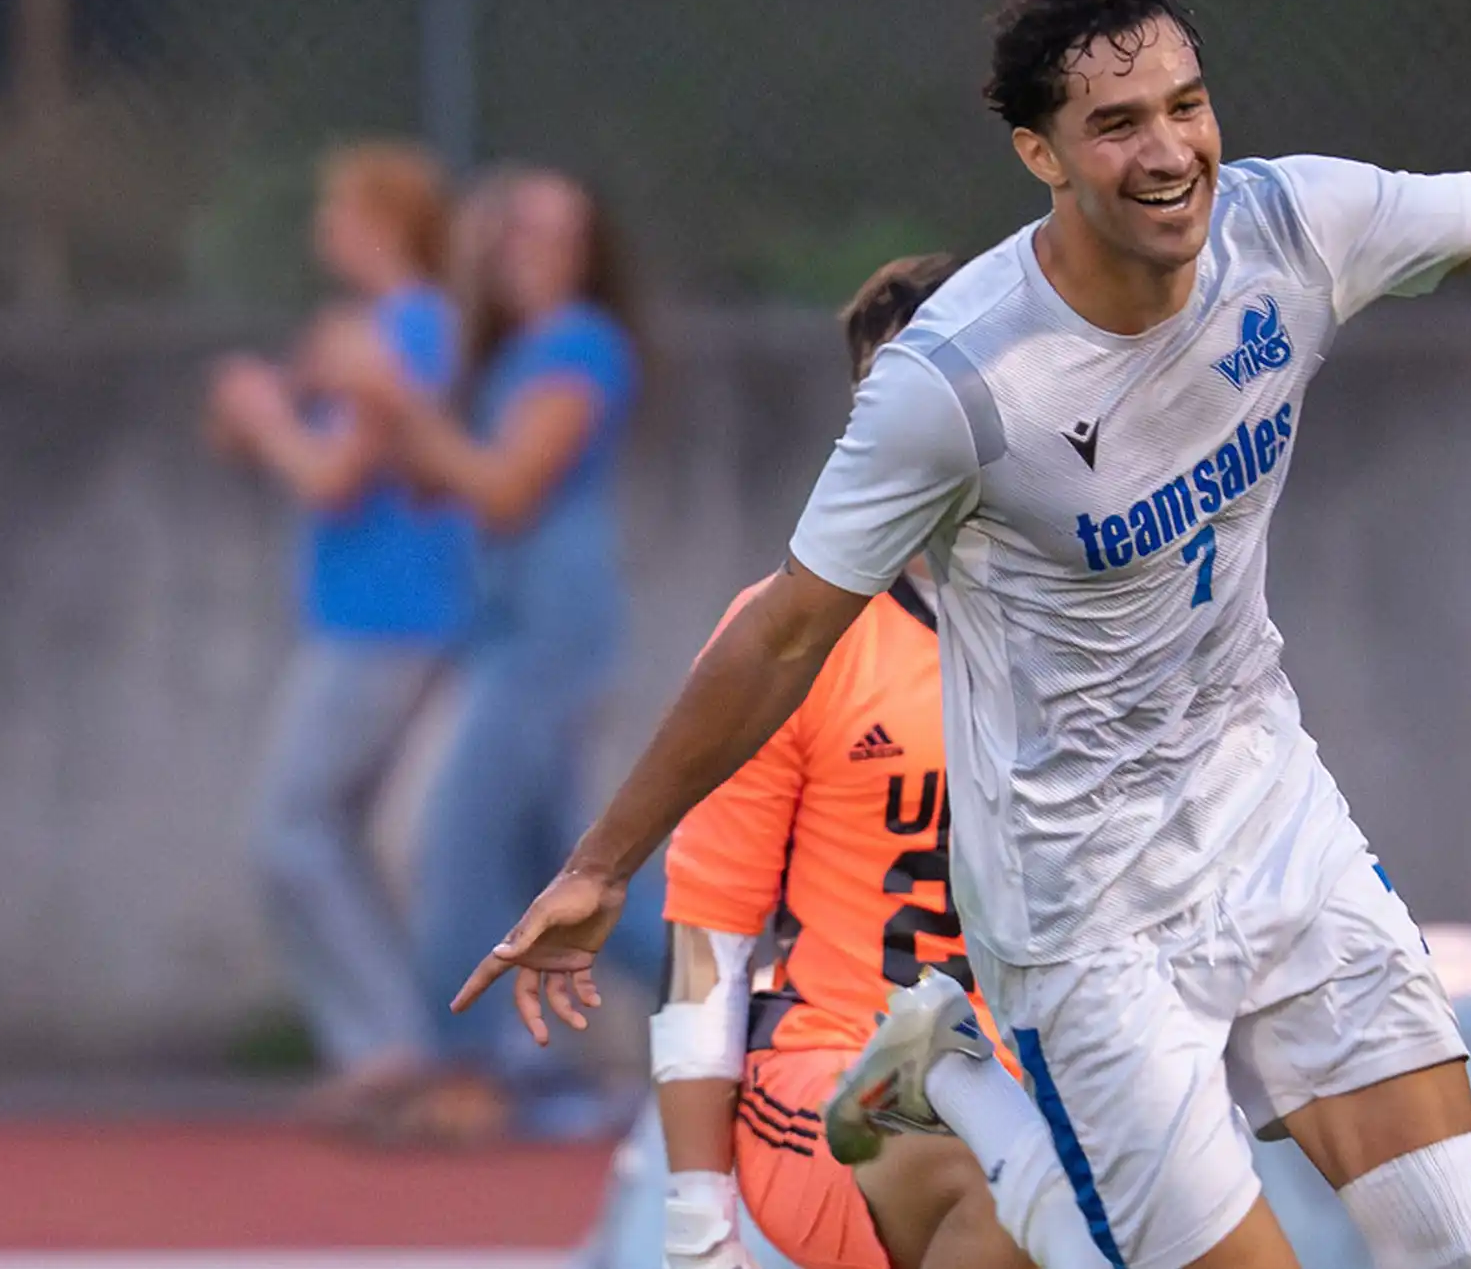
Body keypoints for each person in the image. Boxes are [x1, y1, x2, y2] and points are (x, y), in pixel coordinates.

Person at [465, 0, 1471, 1269]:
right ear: (1039, 154)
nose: (1168, 151)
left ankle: (964, 1072)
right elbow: (781, 629)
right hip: (1077, 912)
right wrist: (604, 863)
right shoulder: (959, 378)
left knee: (1455, 1238)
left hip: (1260, 806)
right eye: (1114, 124)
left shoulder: (1296, 225)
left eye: (1186, 102)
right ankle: (963, 1070)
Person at [575, 254, 1106, 1269]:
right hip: (851, 1066)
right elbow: (708, 939)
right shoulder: (796, 639)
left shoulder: (1104, 621)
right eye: (888, 403)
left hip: (1046, 1074)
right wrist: (696, 1219)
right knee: (1010, 1191)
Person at [315, 166, 665, 1145]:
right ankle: (743, 1000)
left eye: (552, 234)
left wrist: (393, 395)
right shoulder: (509, 355)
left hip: (549, 636)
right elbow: (446, 481)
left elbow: (506, 488)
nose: (525, 249)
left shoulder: (581, 348)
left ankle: (468, 1064)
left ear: (587, 255)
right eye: (514, 231)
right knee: (564, 863)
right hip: (510, 627)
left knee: (457, 844)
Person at [205, 141, 477, 1129]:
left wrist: (265, 411)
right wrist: (264, 412)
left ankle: (388, 1042)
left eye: (340, 210)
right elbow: (265, 432)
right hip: (372, 616)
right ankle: (391, 1039)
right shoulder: (373, 329)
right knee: (327, 833)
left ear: (382, 223)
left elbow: (331, 475)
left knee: (290, 829)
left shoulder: (408, 327)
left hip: (388, 620)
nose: (325, 227)